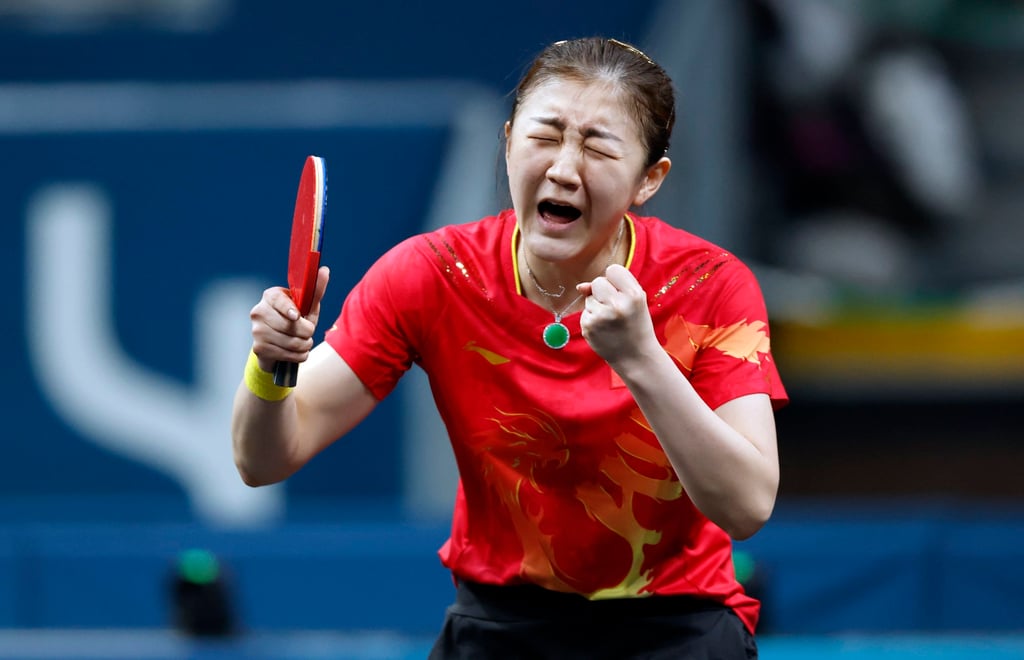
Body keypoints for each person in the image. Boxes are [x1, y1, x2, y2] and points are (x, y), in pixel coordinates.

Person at [232, 36, 787, 659]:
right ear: (508, 140)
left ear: (648, 180)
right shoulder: (432, 274)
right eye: (544, 136)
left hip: (676, 627)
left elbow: (747, 504)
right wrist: (271, 366)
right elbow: (265, 460)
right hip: (501, 626)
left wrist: (641, 358)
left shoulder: (709, 284)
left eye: (598, 146)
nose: (563, 169)